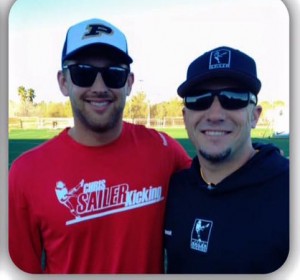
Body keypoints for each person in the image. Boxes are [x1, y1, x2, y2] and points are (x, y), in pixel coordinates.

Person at [9, 18, 191, 274]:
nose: (99, 87)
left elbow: (217, 186)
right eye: (83, 72)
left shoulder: (164, 151)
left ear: (129, 83)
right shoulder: (25, 173)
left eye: (114, 74)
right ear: (63, 82)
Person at [164, 46, 289, 274]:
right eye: (199, 99)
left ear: (255, 115)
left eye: (233, 98)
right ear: (185, 117)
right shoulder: (176, 188)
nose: (214, 115)